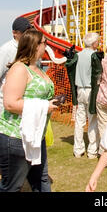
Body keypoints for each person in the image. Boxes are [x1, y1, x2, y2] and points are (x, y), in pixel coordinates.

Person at [0, 29, 59, 192]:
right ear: (35, 45)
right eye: (44, 43)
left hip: (35, 135)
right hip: (17, 137)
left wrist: (49, 103)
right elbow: (10, 103)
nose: (47, 46)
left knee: (41, 181)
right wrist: (44, 106)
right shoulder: (19, 69)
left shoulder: (36, 67)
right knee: (12, 186)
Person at [73, 32, 100, 159]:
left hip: (80, 88)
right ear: (94, 43)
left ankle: (78, 149)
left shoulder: (77, 55)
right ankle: (92, 150)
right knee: (93, 120)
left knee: (79, 120)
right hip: (91, 90)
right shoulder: (94, 56)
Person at [0, 16, 32, 114]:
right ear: (14, 33)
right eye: (24, 32)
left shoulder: (31, 49)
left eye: (29, 31)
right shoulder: (6, 50)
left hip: (25, 105)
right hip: (6, 107)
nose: (27, 35)